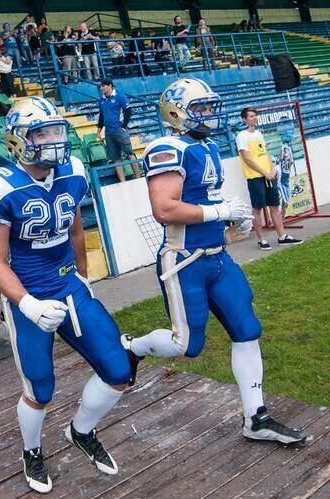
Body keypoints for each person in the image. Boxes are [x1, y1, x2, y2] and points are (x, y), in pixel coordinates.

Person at [122, 78, 307, 446]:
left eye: (210, 106)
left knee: (247, 329)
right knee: (184, 346)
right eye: (201, 107)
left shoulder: (203, 145)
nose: (209, 114)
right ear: (176, 112)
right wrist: (218, 210)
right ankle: (134, 347)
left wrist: (229, 216)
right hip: (184, 259)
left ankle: (255, 417)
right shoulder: (167, 148)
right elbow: (164, 208)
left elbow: (202, 197)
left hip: (217, 257)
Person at [0, 96, 133, 493]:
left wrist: (83, 276)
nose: (53, 140)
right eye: (41, 132)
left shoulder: (73, 171)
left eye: (56, 130)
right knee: (40, 389)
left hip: (69, 288)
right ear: (17, 139)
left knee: (118, 371)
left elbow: (75, 229)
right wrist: (26, 304)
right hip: (28, 295)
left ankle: (81, 430)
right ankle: (31, 450)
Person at [237, 107, 304, 250]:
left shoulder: (259, 134)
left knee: (274, 205)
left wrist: (272, 169)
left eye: (255, 115)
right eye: (251, 116)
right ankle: (261, 240)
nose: (254, 118)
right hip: (255, 177)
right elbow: (247, 159)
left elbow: (264, 153)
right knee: (257, 208)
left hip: (269, 175)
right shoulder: (242, 136)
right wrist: (264, 172)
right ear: (244, 119)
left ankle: (282, 236)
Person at [97, 79, 141, 183]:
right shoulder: (101, 100)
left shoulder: (120, 96)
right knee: (115, 157)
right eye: (100, 86)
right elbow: (102, 116)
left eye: (103, 86)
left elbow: (128, 110)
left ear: (110, 86)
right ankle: (123, 181)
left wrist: (124, 126)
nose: (101, 88)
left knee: (129, 153)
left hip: (119, 130)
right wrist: (98, 131)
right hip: (109, 132)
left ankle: (138, 177)